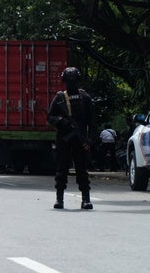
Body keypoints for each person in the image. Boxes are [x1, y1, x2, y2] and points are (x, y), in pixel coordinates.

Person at [47, 66, 96, 210]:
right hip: (64, 138)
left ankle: (85, 199)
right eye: (69, 81)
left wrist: (89, 140)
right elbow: (50, 117)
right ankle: (59, 198)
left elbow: (92, 122)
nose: (71, 84)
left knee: (82, 170)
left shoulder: (85, 98)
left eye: (73, 81)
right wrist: (62, 122)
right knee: (61, 170)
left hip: (80, 140)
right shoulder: (60, 98)